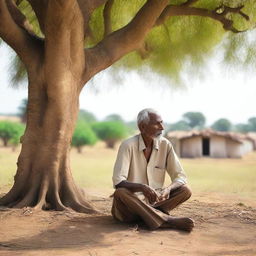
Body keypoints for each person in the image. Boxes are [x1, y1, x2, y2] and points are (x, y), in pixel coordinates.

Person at [111, 108, 194, 232]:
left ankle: (149, 217)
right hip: (130, 208)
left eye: (162, 122)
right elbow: (118, 182)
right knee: (121, 192)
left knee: (185, 190)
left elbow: (180, 176)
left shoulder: (165, 145)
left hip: (155, 203)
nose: (162, 127)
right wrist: (142, 187)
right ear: (142, 127)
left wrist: (168, 189)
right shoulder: (128, 145)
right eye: (157, 123)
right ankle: (167, 220)